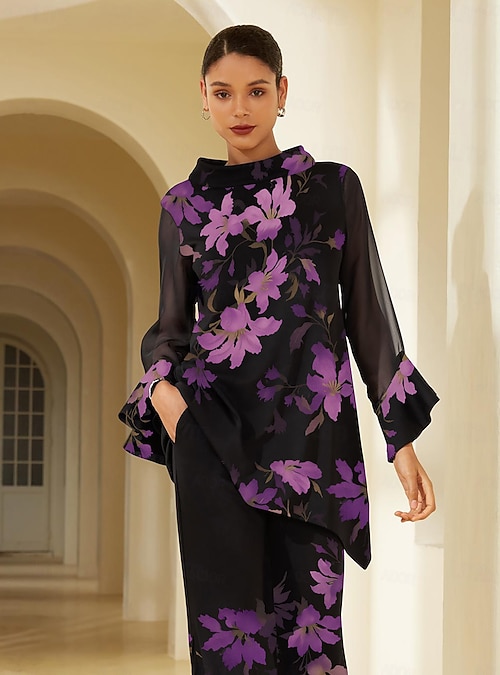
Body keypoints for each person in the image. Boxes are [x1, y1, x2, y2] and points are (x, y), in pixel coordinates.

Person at [119, 24, 438, 675]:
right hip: (213, 442)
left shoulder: (333, 190)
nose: (240, 108)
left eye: (257, 90)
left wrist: (400, 440)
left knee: (311, 646)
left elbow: (368, 316)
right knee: (230, 648)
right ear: (203, 97)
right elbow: (170, 329)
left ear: (282, 92)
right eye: (223, 93)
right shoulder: (183, 207)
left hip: (310, 451)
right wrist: (170, 403)